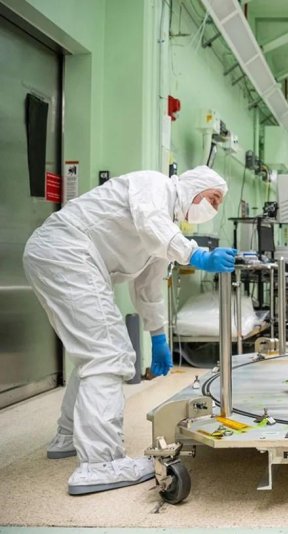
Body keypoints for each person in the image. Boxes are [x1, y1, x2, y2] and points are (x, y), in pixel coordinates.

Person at [23, 165, 236, 495]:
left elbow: (148, 288)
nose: (214, 208)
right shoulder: (155, 187)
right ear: (195, 187)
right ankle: (100, 464)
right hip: (68, 251)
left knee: (94, 355)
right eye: (214, 198)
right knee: (108, 354)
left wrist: (158, 336)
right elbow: (151, 222)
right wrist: (196, 254)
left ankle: (67, 435)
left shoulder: (164, 230)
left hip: (61, 255)